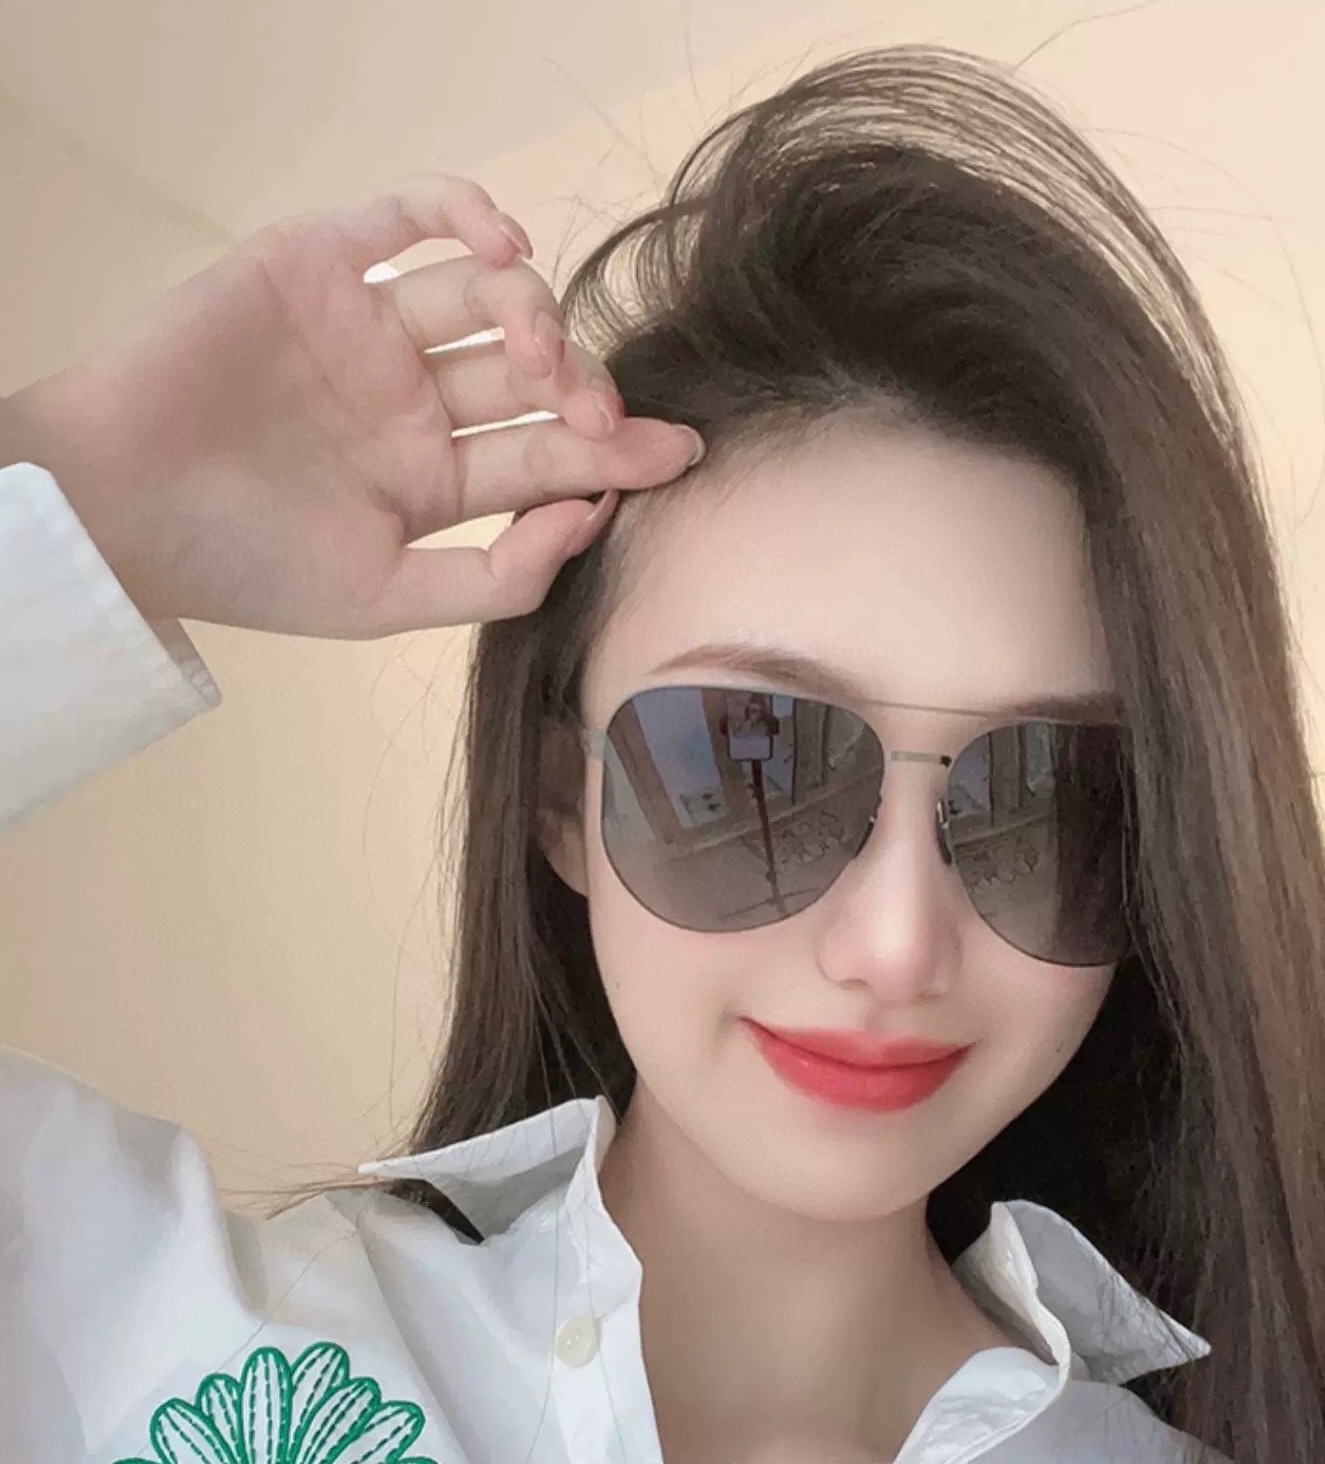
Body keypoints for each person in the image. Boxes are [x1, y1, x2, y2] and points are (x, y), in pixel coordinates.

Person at [0, 41, 1320, 1464]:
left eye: (1043, 801)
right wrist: (89, 488)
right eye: (757, 758)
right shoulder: (135, 1337)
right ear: (560, 799)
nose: (895, 946)